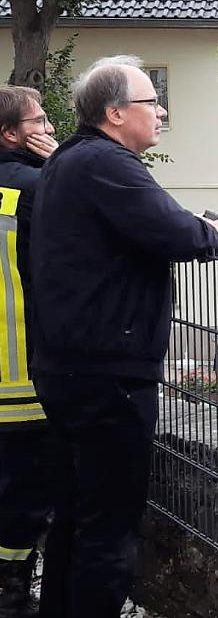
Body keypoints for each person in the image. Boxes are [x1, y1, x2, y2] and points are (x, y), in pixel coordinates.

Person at [30, 56, 218, 618]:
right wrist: (215, 232)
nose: (162, 110)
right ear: (116, 113)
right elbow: (173, 230)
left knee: (76, 518)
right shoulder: (106, 162)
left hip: (67, 366)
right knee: (109, 531)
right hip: (108, 374)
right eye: (152, 100)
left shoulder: (67, 162)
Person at [0, 86, 58, 618]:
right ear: (10, 134)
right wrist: (62, 164)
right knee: (21, 499)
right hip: (19, 383)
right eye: (39, 121)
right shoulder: (35, 189)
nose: (48, 128)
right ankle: (11, 595)